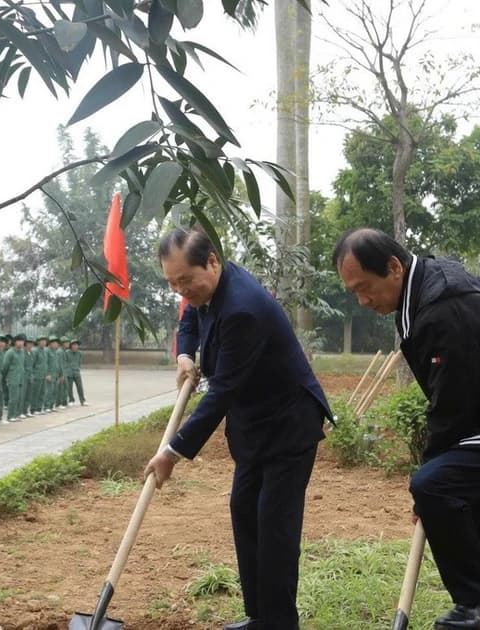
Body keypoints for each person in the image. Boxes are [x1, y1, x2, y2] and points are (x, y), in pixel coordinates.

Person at [333, 228, 480, 630]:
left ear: (393, 267)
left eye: (365, 288)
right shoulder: (426, 295)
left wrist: (432, 482)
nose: (363, 300)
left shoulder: (442, 310)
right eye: (354, 292)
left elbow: (451, 407)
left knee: (433, 484)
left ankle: (475, 604)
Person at [144, 228, 331, 630]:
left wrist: (172, 451)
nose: (181, 290)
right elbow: (192, 315)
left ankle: (280, 624)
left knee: (274, 527)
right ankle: (259, 616)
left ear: (211, 261)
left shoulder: (243, 308)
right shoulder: (209, 287)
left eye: (185, 280)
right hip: (254, 426)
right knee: (244, 510)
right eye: (172, 282)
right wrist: (183, 355)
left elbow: (222, 392)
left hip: (288, 425)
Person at [65, 339, 85, 406]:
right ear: (71, 346)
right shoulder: (67, 352)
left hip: (76, 372)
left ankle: (82, 400)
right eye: (74, 345)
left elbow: (79, 362)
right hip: (69, 372)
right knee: (69, 388)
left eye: (76, 345)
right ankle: (71, 400)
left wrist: (78, 368)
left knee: (80, 387)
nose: (75, 346)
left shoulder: (79, 353)